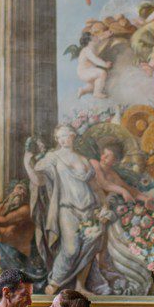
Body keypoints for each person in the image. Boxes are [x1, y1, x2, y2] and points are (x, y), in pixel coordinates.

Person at [25, 125, 113, 296]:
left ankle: (80, 286)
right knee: (71, 248)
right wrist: (27, 164)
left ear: (73, 136)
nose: (62, 140)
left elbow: (95, 186)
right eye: (59, 137)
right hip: (67, 209)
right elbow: (39, 180)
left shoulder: (84, 160)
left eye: (65, 136)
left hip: (89, 209)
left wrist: (104, 206)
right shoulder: (53, 157)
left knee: (89, 247)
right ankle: (54, 283)